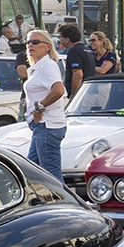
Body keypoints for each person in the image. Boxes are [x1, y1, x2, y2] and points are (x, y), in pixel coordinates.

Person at [23, 29, 67, 179]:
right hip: (41, 127)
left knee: (51, 176)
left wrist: (39, 106)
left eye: (35, 42)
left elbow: (59, 90)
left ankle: (64, 202)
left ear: (48, 46)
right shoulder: (38, 67)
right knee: (31, 173)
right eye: (28, 42)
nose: (30, 45)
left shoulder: (47, 65)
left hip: (47, 126)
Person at [57, 24, 94, 97]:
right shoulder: (86, 49)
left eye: (60, 37)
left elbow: (78, 74)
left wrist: (74, 95)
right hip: (90, 90)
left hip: (82, 95)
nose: (59, 40)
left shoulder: (74, 51)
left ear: (67, 39)